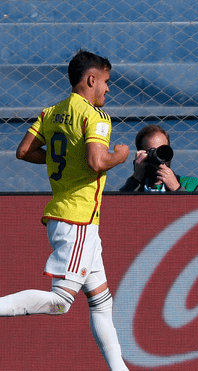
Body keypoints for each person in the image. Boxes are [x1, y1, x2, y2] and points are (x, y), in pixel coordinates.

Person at [5, 50, 130, 370]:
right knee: (60, 302)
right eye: (106, 82)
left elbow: (23, 151)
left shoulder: (51, 112)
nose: (108, 89)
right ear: (91, 79)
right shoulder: (95, 116)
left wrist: (66, 157)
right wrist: (119, 155)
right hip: (78, 221)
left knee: (102, 302)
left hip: (69, 218)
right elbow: (96, 161)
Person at [119, 124, 198, 192]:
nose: (158, 156)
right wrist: (136, 178)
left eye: (162, 151)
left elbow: (194, 211)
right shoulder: (133, 188)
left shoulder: (191, 184)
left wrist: (176, 188)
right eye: (152, 151)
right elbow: (119, 208)